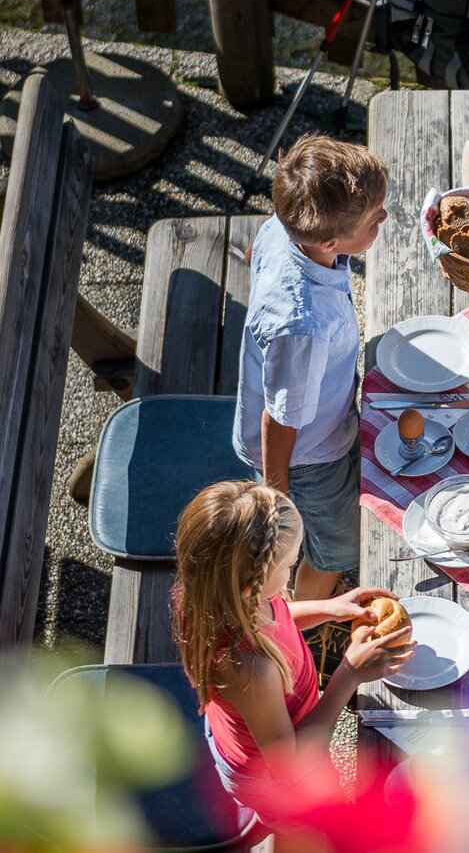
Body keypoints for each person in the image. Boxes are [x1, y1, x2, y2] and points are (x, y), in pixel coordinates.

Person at [172, 481, 414, 821]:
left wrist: (331, 607)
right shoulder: (251, 669)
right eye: (288, 565)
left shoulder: (219, 595)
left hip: (269, 732)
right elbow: (291, 766)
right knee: (312, 824)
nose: (291, 571)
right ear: (248, 584)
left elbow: (279, 617)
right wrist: (349, 674)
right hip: (272, 778)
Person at [234, 134, 388, 600]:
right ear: (330, 241)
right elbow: (279, 423)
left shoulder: (284, 231)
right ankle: (302, 618)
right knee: (340, 547)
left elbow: (253, 256)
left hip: (317, 420)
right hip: (309, 457)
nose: (383, 217)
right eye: (374, 219)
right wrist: (278, 507)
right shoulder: (304, 326)